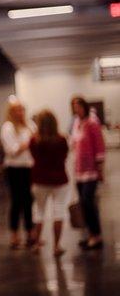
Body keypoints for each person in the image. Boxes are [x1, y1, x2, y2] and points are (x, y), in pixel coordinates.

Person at [29, 110, 69, 257]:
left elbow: (33, 156)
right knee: (59, 211)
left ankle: (37, 243)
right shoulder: (61, 139)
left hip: (40, 180)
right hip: (59, 179)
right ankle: (56, 246)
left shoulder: (34, 141)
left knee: (39, 211)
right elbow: (65, 156)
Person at [0, 96, 36, 249]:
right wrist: (28, 143)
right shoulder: (8, 127)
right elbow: (12, 150)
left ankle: (30, 232)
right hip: (15, 169)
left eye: (22, 110)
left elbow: (37, 139)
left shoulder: (29, 125)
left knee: (29, 200)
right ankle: (14, 235)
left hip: (29, 167)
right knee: (17, 201)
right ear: (12, 112)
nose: (21, 113)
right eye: (17, 110)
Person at [70, 96, 105, 250]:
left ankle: (96, 235)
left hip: (90, 170)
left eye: (78, 106)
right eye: (73, 107)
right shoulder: (77, 123)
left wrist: (100, 168)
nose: (76, 109)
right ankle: (90, 234)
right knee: (84, 205)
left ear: (84, 106)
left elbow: (99, 146)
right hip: (79, 170)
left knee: (88, 201)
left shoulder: (92, 123)